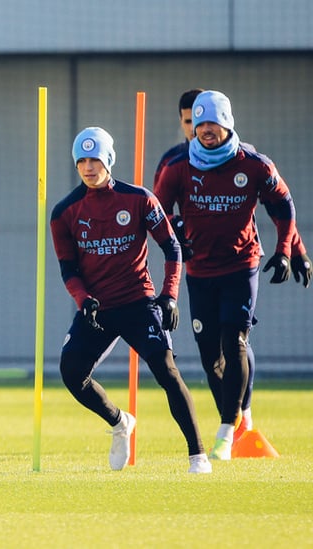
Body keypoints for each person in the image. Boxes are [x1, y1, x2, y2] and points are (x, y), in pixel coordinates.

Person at [154, 90, 306, 460]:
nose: (206, 130)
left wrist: (287, 250)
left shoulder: (253, 164)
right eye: (199, 123)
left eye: (213, 123)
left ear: (227, 124)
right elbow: (157, 209)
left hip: (241, 265)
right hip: (200, 270)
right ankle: (236, 420)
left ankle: (227, 429)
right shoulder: (176, 165)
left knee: (234, 340)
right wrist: (175, 233)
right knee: (210, 358)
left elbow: (283, 206)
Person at [50, 127, 211, 474]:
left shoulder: (139, 199)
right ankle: (120, 422)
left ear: (108, 160)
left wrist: (169, 295)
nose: (88, 167)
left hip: (139, 303)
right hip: (98, 309)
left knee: (167, 372)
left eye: (94, 159)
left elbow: (172, 248)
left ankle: (198, 455)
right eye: (81, 160)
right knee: (70, 372)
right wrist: (83, 298)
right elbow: (68, 269)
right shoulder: (64, 212)